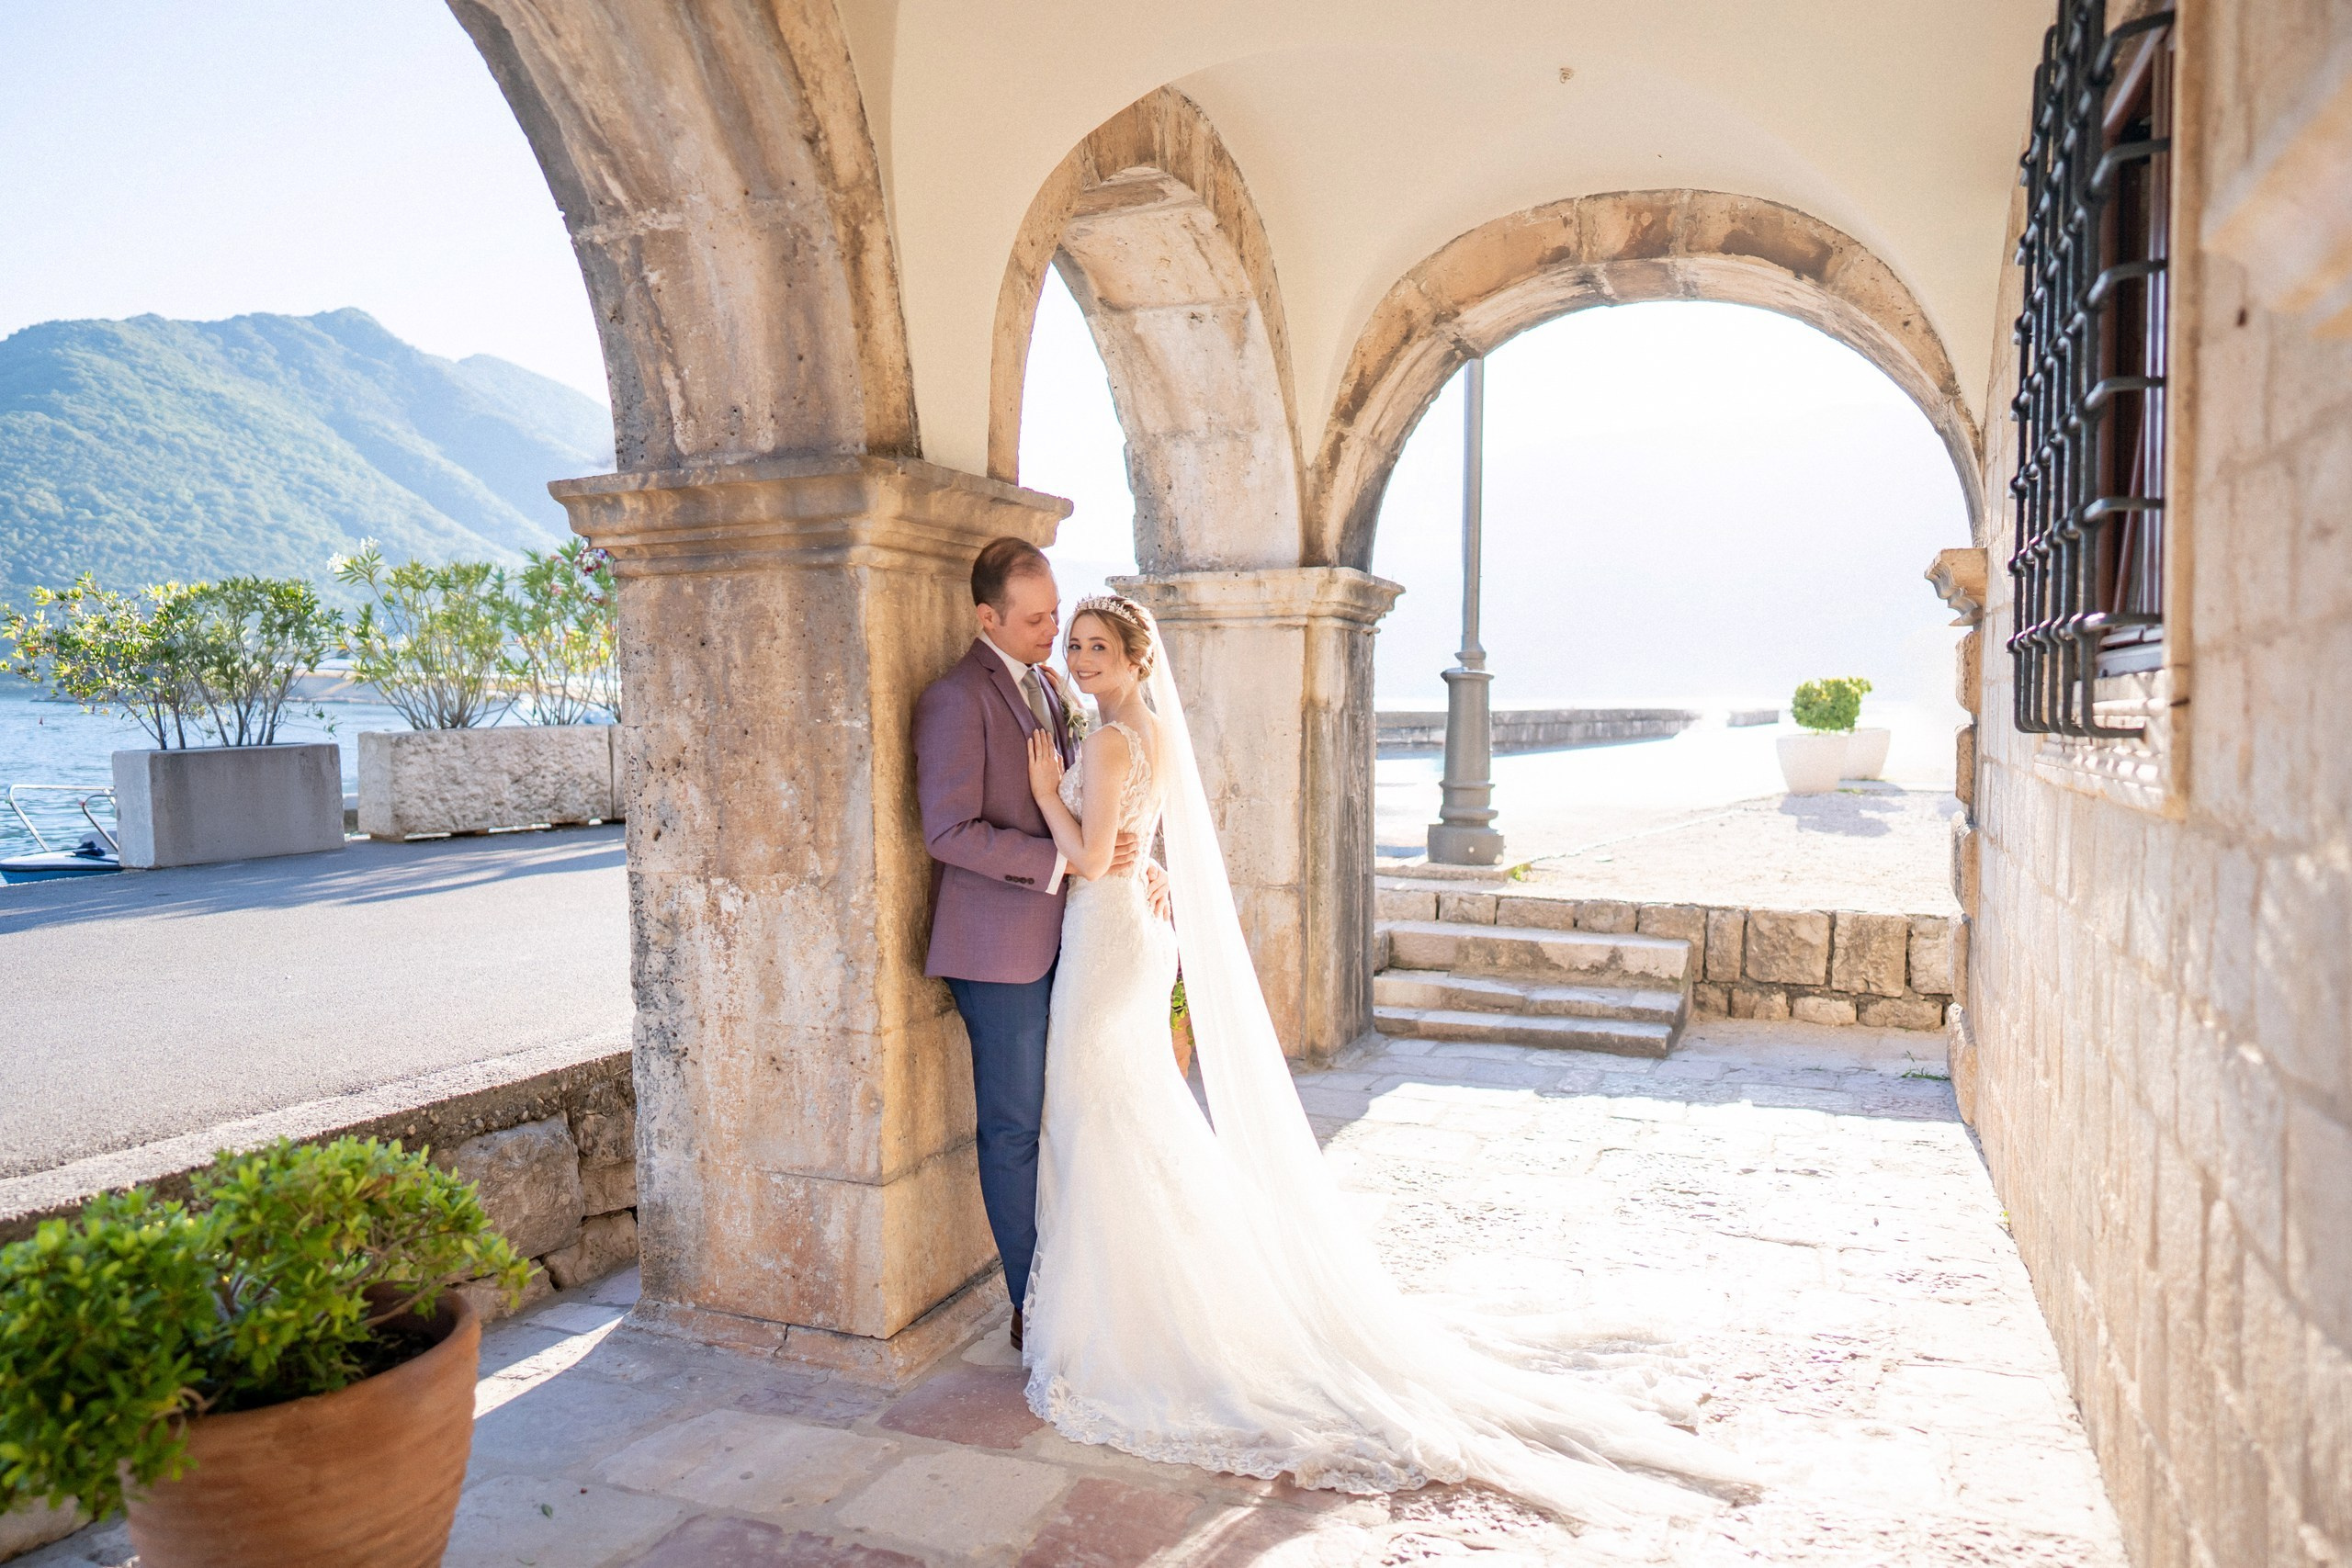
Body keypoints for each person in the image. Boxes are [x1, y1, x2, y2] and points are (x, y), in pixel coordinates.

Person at [1007, 588, 1759, 1525]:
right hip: (1128, 935)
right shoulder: (1142, 729)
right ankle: (1162, 1291)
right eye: (1073, 646)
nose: (1079, 661)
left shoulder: (1114, 738)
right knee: (1129, 1112)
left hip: (1106, 938)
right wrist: (1127, 846)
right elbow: (1134, 842)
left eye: (1096, 647)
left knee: (1102, 1111)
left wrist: (1045, 792)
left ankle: (1133, 1318)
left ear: (1134, 657)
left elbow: (1090, 861)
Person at [911, 537, 1164, 1352]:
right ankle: (1034, 1305)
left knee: (1069, 1118)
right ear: (987, 616)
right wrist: (1066, 862)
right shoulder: (956, 698)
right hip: (999, 949)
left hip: (1075, 938)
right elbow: (948, 830)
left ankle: (1081, 1280)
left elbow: (1103, 794)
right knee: (1015, 1127)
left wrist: (1137, 860)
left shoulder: (1056, 687)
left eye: (1059, 612)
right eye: (1036, 618)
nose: (1055, 631)